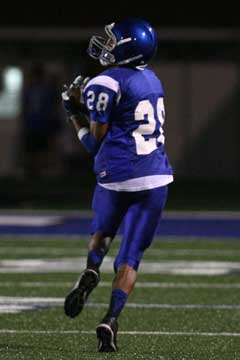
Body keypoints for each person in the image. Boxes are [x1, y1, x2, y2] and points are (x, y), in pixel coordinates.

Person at [62, 17, 174, 352]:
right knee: (131, 258)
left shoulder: (104, 82)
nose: (107, 45)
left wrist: (73, 111)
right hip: (155, 176)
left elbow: (95, 144)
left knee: (102, 233)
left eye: (113, 41)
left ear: (127, 47)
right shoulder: (152, 80)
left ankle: (92, 267)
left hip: (117, 175)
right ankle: (111, 318)